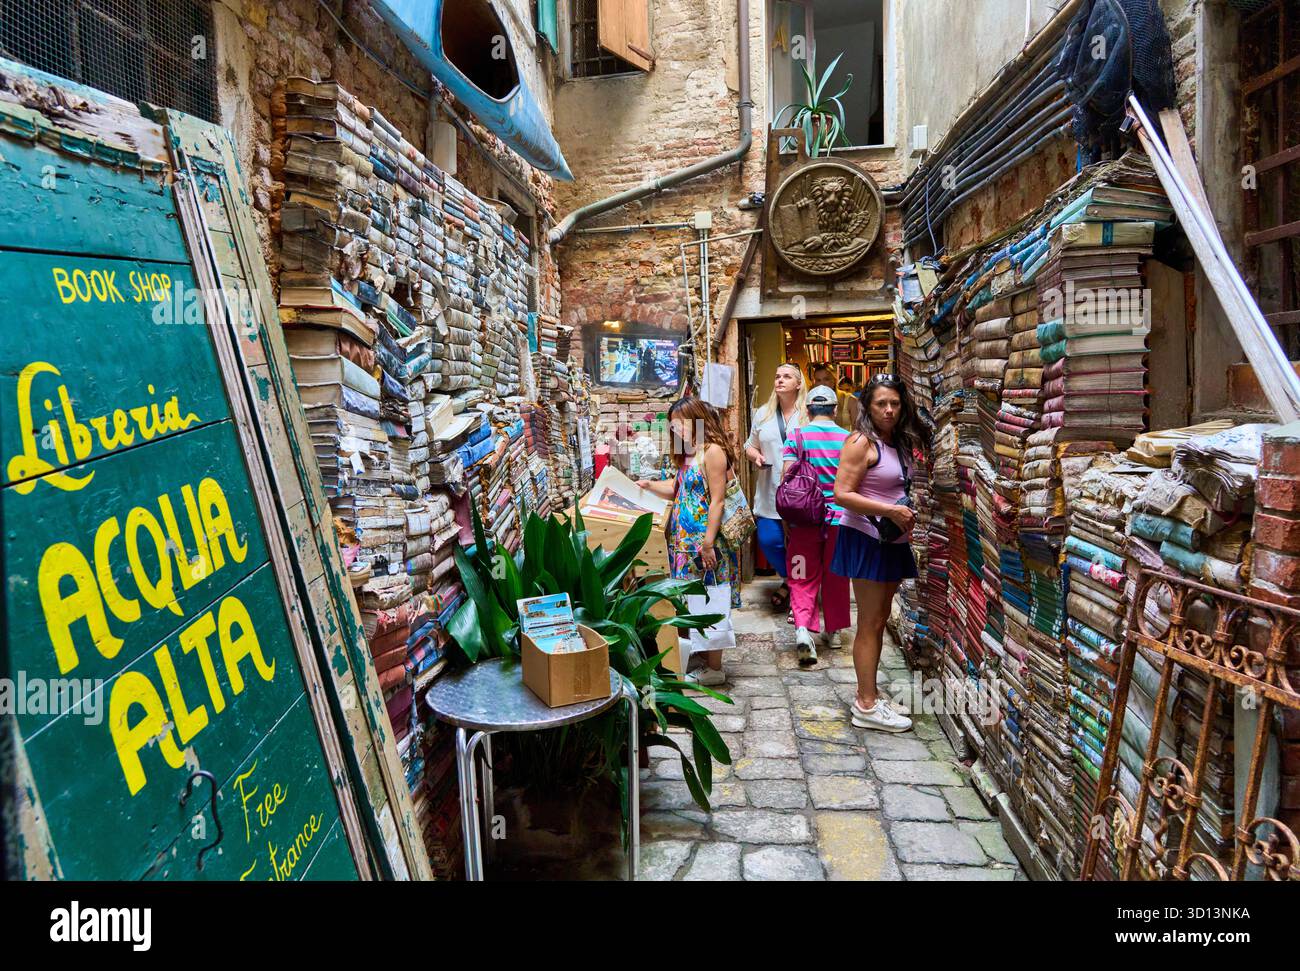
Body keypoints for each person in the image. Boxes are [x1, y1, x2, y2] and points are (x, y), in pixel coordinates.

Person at [831, 374, 927, 733]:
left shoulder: (897, 441)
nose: (888, 410)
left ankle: (869, 694)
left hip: (892, 540)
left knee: (880, 618)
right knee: (870, 622)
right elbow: (841, 493)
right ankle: (866, 705)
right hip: (867, 537)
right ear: (868, 407)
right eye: (881, 404)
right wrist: (890, 511)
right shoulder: (860, 441)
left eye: (895, 404)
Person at [638, 397, 741, 686]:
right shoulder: (689, 453)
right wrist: (647, 486)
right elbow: (677, 489)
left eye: (680, 423)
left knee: (712, 597)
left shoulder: (713, 452)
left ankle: (715, 668)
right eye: (673, 425)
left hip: (707, 543)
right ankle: (701, 655)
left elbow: (718, 501)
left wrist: (708, 543)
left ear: (697, 419)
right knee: (692, 598)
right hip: (684, 544)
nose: (676, 429)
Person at [781, 385, 851, 667]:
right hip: (840, 520)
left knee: (800, 572)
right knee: (836, 575)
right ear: (835, 410)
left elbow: (787, 477)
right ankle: (833, 632)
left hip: (804, 521)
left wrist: (787, 519)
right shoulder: (849, 440)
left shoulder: (796, 436)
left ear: (807, 410)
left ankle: (802, 627)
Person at [743, 362, 806, 613]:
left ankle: (800, 596)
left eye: (787, 376)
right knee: (769, 541)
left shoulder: (808, 415)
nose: (780, 380)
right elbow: (749, 445)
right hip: (770, 492)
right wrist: (755, 456)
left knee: (799, 548)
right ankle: (793, 580)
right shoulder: (763, 414)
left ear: (798, 384)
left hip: (801, 495)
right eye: (777, 376)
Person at [812, 363, 862, 431]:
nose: (822, 384)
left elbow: (858, 432)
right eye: (818, 380)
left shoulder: (851, 400)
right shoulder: (809, 402)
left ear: (834, 380)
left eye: (826, 379)